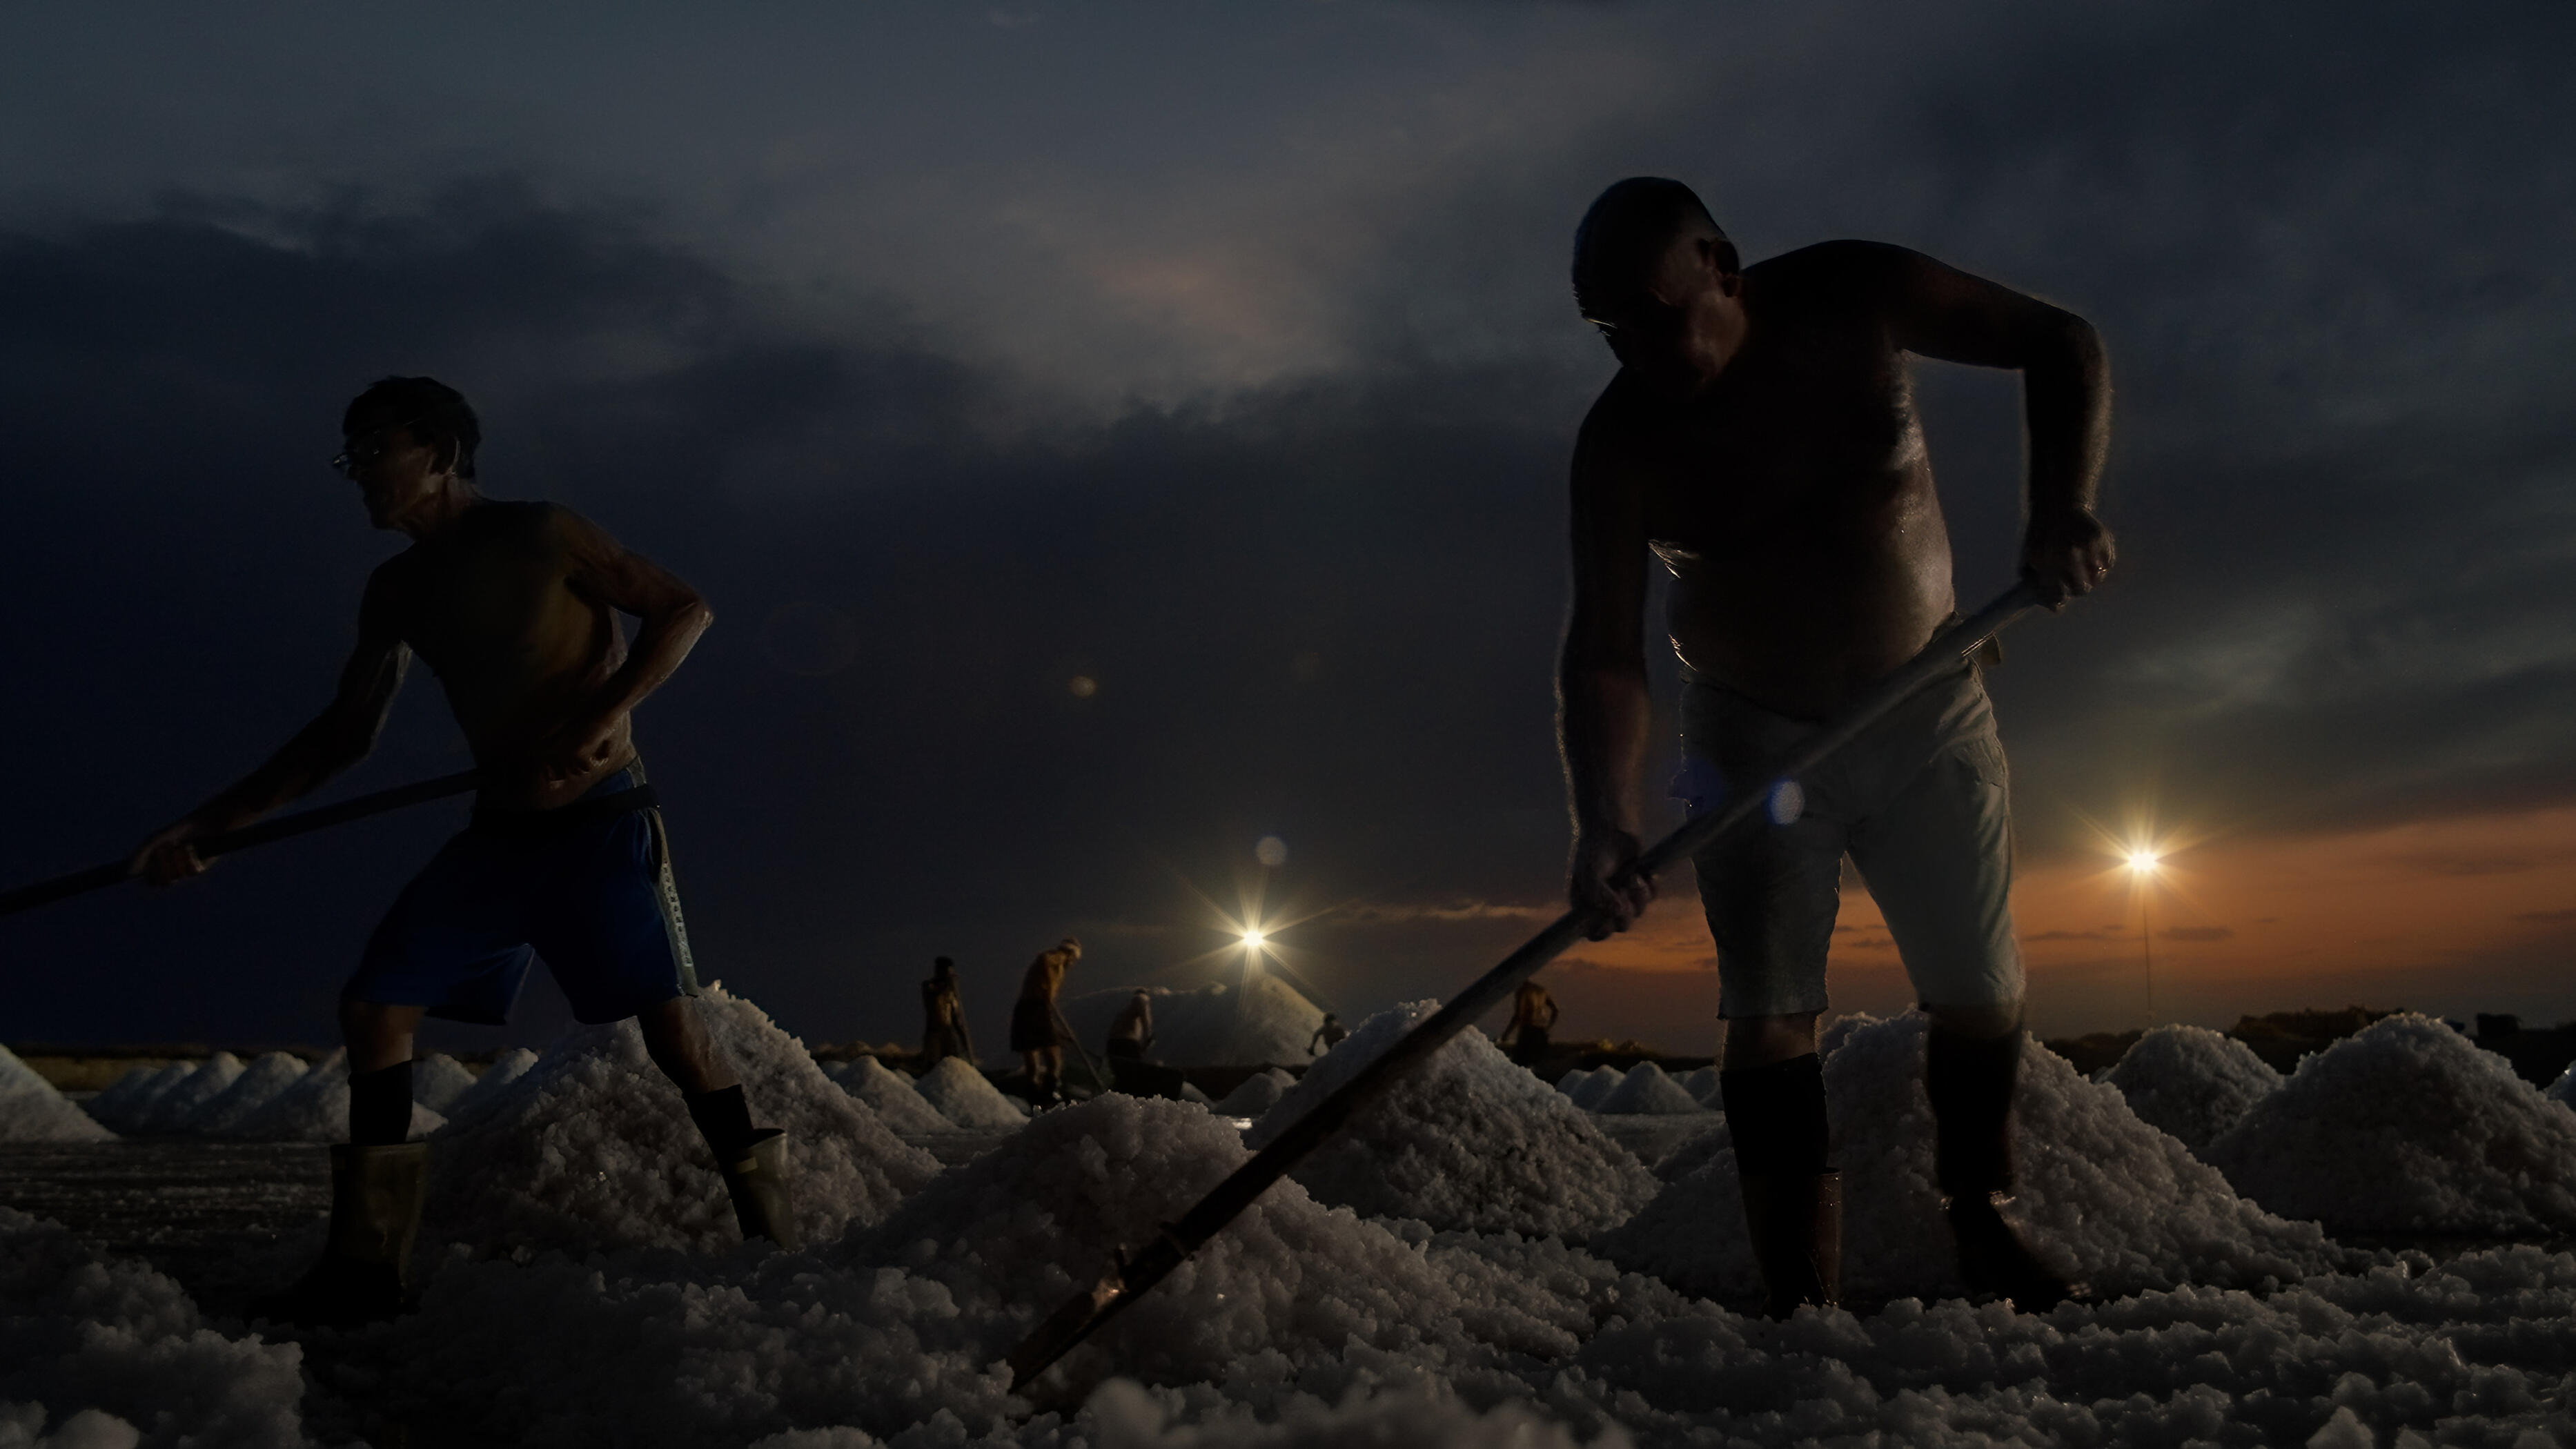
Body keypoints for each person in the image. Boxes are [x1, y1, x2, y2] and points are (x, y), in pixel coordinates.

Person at [1556, 179, 2112, 1318]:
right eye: (1608, 331)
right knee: (1766, 1011)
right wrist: (1602, 816)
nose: (1638, 352)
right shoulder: (1617, 445)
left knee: (1976, 989)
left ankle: (1980, 1216)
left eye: (1655, 317)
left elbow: (2058, 342)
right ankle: (1798, 1296)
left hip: (1927, 700)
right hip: (1751, 740)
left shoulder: (1853, 294)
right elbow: (1604, 651)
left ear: (1719, 264)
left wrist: (2060, 505)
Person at [132, 377, 796, 1325]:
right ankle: (366, 1270)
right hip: (499, 837)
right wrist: (210, 825)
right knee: (375, 1008)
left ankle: (773, 1236)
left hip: (602, 825)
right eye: (349, 455)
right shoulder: (394, 590)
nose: (359, 471)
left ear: (440, 453)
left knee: (676, 1036)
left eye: (375, 448)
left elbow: (683, 609)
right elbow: (343, 733)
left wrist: (605, 716)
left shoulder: (544, 532)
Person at [1012, 937, 1081, 1103]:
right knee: (1054, 1057)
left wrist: (1059, 1033)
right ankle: (1047, 1096)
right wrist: (1048, 990)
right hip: (1036, 1007)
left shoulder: (1048, 969)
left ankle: (1035, 1100)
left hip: (1024, 1010)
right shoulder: (1059, 957)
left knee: (1032, 1061)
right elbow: (1045, 958)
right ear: (1072, 954)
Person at [921, 957, 975, 1066]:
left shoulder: (950, 991)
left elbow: (957, 1019)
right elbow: (932, 1001)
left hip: (948, 1037)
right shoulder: (931, 987)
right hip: (934, 1035)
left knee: (950, 1062)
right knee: (934, 1065)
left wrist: (965, 1045)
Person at [1500, 978, 1560, 1067]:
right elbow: (1556, 1011)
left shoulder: (1523, 991)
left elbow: (1518, 1015)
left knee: (1520, 1065)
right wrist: (1548, 1028)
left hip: (1528, 1032)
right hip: (1541, 1032)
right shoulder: (1541, 990)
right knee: (1535, 1064)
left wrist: (1505, 1035)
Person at [1105, 989, 1154, 1063]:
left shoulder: (1125, 1010)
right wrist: (1148, 1038)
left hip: (1114, 1043)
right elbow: (1145, 1023)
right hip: (1125, 1043)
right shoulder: (1140, 999)